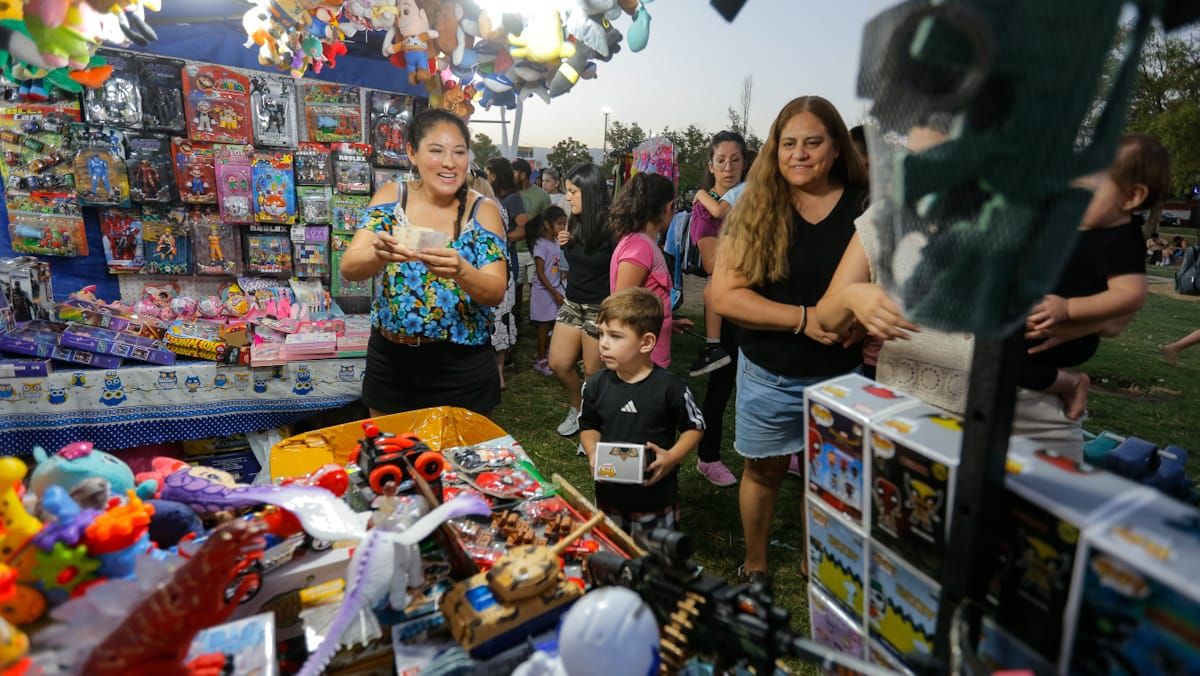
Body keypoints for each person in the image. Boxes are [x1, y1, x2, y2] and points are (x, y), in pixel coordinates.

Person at [710, 96, 868, 586]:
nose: (799, 154)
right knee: (765, 472)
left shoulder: (866, 206)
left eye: (813, 143)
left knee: (825, 481)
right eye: (788, 143)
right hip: (769, 372)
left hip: (841, 376)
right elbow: (724, 295)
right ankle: (756, 563)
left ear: (838, 148)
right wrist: (804, 319)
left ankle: (813, 559)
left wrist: (864, 313)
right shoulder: (757, 205)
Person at [340, 108, 508, 416]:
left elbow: (496, 290)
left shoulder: (483, 210)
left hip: (461, 367)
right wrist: (377, 254)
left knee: (458, 463)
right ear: (412, 153)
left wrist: (461, 270)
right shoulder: (394, 196)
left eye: (459, 152)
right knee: (391, 458)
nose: (449, 162)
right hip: (392, 362)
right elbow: (349, 268)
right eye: (436, 150)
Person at [1018, 134, 1164, 446]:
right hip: (1042, 320)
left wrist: (1068, 310)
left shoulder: (1121, 240)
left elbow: (1131, 295)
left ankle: (1071, 384)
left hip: (1068, 332)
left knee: (1005, 362)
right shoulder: (1083, 228)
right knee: (996, 354)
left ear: (1130, 198)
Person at [579, 288, 705, 537]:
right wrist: (593, 451)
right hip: (608, 497)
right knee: (612, 555)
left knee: (655, 565)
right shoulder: (596, 384)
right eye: (601, 333)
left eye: (615, 336)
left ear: (646, 342)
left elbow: (695, 426)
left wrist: (672, 457)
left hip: (655, 499)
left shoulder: (671, 388)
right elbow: (588, 424)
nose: (603, 343)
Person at [549, 163, 616, 444]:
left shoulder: (614, 225)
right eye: (567, 191)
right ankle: (578, 408)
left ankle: (593, 425)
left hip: (598, 308)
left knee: (593, 372)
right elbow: (579, 259)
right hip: (572, 301)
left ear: (590, 191)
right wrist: (566, 242)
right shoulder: (574, 220)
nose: (568, 198)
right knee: (558, 363)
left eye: (573, 192)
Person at [687, 131, 748, 378]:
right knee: (724, 379)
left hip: (753, 290)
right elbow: (712, 265)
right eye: (721, 160)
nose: (728, 167)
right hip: (732, 297)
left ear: (744, 163)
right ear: (711, 166)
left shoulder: (751, 195)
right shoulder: (706, 210)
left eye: (735, 160)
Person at [608, 172, 677, 368]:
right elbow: (621, 306)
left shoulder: (640, 243)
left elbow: (643, 298)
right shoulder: (641, 246)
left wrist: (668, 322)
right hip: (642, 362)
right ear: (669, 206)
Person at [485, 157, 527, 390]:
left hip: (504, 261)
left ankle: (500, 369)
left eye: (489, 172)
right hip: (498, 260)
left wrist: (503, 238)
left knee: (502, 314)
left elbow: (523, 225)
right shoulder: (497, 199)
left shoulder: (510, 199)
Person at [531, 205, 569, 375]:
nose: (563, 228)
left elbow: (556, 265)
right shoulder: (541, 245)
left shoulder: (556, 243)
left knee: (554, 323)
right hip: (543, 292)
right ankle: (540, 359)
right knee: (543, 326)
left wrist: (561, 278)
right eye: (560, 224)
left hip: (555, 289)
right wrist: (553, 292)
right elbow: (540, 273)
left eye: (564, 224)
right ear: (547, 224)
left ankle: (548, 353)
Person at [514, 158, 550, 323]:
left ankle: (536, 318)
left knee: (536, 287)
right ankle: (516, 318)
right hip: (514, 249)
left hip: (533, 250)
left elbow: (548, 222)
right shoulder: (509, 194)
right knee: (515, 287)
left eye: (513, 172)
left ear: (522, 175)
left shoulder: (542, 195)